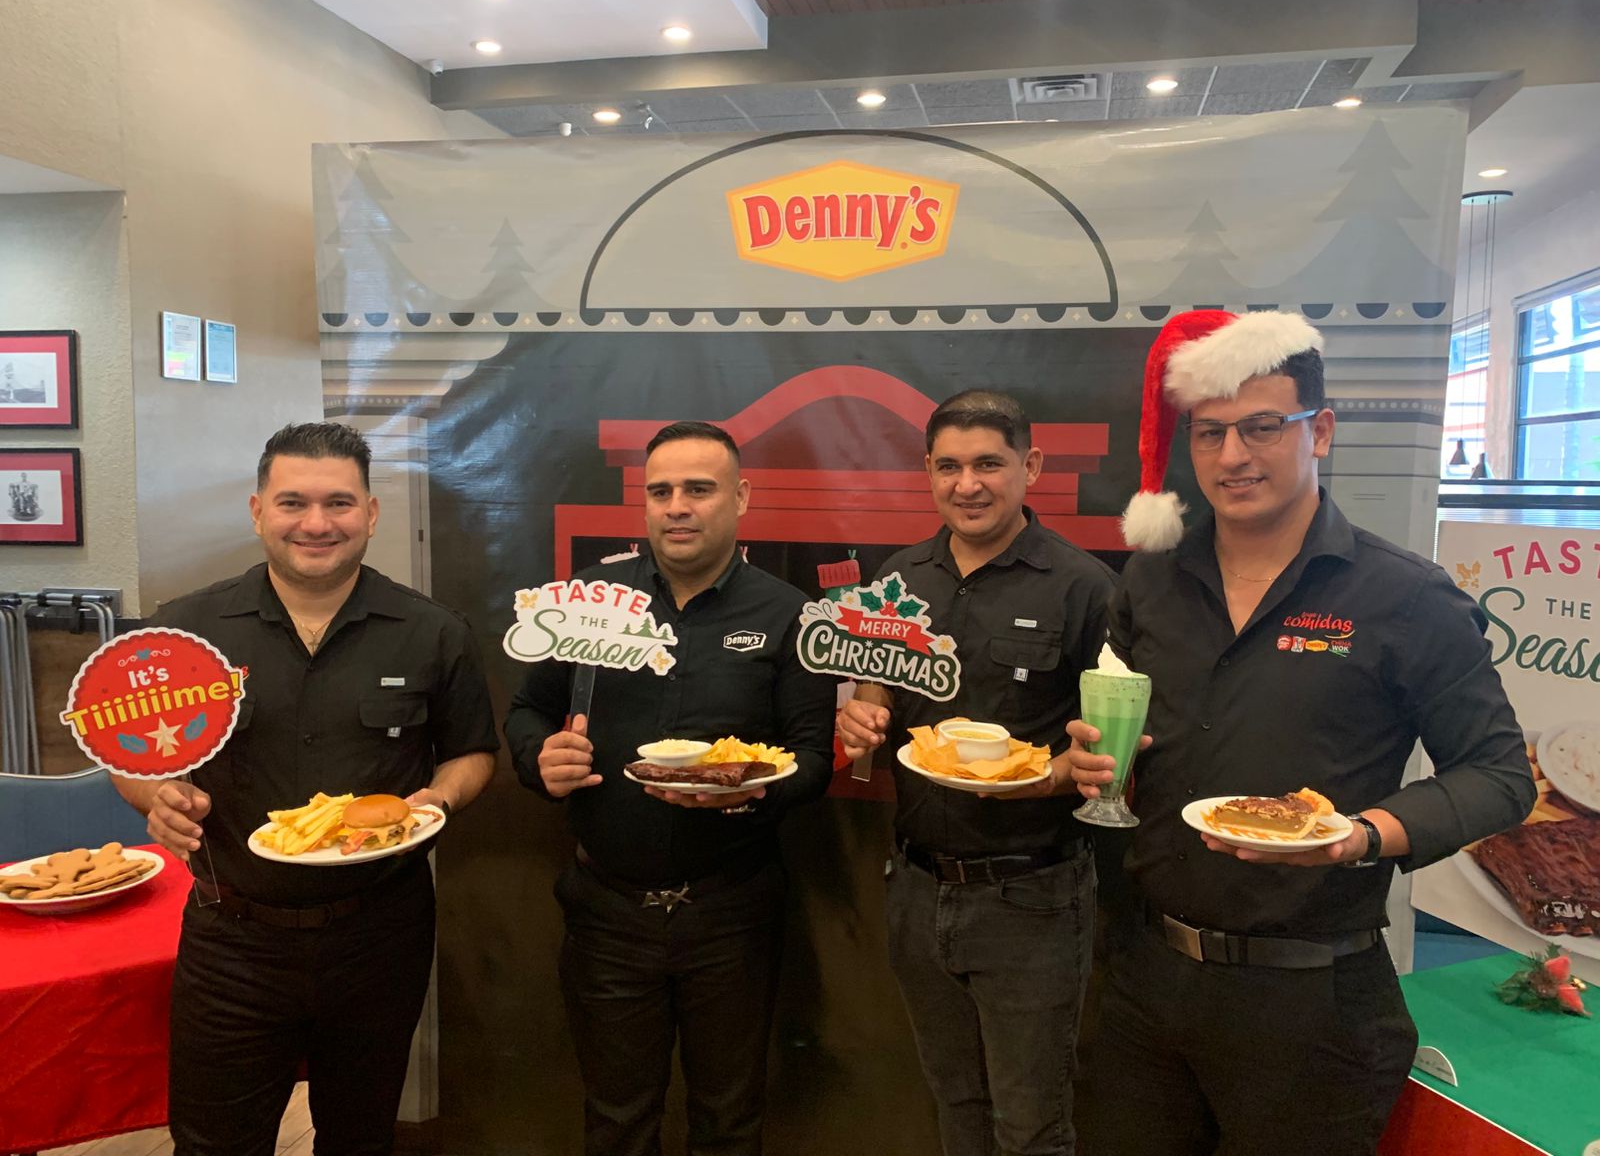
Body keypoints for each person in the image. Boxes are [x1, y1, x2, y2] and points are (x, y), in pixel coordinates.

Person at [1069, 311, 1536, 1155]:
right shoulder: (1152, 580)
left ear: (1318, 431)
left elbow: (1501, 774)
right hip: (1147, 982)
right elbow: (1129, 738)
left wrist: (1364, 835)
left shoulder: (1404, 595)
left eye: (1261, 427)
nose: (1233, 456)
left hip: (1312, 1005)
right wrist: (1096, 759)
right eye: (1210, 433)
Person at [114, 422, 498, 1156]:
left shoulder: (432, 631)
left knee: (360, 1137)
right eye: (293, 502)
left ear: (370, 514)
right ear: (258, 510)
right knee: (214, 1143)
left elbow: (472, 752)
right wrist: (153, 796)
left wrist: (439, 800)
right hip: (232, 938)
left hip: (379, 937)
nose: (317, 523)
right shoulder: (186, 631)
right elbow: (128, 753)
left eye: (338, 503)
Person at [505, 421, 835, 1156]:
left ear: (740, 498)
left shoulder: (789, 615)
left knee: (730, 1122)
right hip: (607, 911)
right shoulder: (591, 602)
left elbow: (813, 757)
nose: (677, 506)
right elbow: (527, 709)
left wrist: (749, 791)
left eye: (699, 489)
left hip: (732, 914)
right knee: (617, 1121)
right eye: (661, 491)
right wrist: (538, 757)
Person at [837, 390, 1115, 1156]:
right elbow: (874, 692)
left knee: (1030, 1128)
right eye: (949, 467)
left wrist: (1067, 771)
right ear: (927, 470)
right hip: (916, 886)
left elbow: (1119, 747)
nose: (968, 485)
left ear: (1030, 466)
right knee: (955, 1103)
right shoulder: (899, 578)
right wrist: (862, 717)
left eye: (989, 464)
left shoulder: (1084, 587)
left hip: (1032, 897)